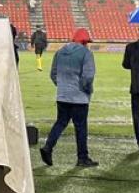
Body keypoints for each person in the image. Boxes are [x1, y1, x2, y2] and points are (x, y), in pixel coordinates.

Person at [40, 28, 97, 168]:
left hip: (63, 95)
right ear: (84, 41)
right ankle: (82, 158)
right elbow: (88, 76)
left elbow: (53, 74)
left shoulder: (60, 52)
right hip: (79, 98)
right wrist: (87, 90)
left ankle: (48, 147)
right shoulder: (86, 54)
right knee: (81, 127)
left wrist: (62, 87)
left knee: (60, 122)